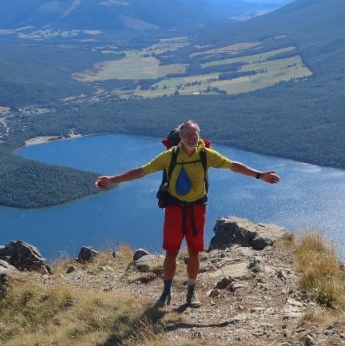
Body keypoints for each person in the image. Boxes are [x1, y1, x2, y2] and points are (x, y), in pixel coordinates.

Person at [94, 120, 280, 308]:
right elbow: (141, 171)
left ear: (199, 136)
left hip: (196, 209)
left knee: (194, 252)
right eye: (187, 135)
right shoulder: (169, 156)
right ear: (180, 138)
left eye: (195, 134)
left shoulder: (206, 155)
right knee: (172, 252)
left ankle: (191, 292)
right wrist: (112, 179)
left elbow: (232, 165)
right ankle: (166, 292)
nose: (192, 138)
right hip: (175, 209)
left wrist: (259, 175)